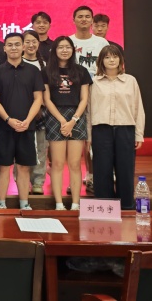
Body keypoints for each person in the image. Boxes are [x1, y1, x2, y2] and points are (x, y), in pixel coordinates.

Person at [0, 32, 44, 210]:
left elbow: (38, 99)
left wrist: (27, 121)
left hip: (27, 127)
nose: (14, 48)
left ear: (23, 47)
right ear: (4, 48)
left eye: (17, 44)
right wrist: (8, 120)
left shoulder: (33, 71)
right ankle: (1, 203)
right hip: (3, 127)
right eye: (10, 45)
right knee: (3, 167)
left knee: (24, 167)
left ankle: (24, 203)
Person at [88, 46, 145, 210]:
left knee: (125, 169)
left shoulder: (131, 81)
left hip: (125, 129)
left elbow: (138, 109)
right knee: (102, 170)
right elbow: (89, 111)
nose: (111, 60)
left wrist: (138, 134)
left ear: (121, 60)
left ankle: (126, 205)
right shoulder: (94, 83)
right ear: (101, 61)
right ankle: (104, 207)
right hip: (101, 130)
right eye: (107, 57)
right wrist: (89, 136)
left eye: (115, 56)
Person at [42, 36, 92, 210]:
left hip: (76, 116)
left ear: (73, 50)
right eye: (60, 47)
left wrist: (73, 120)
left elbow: (84, 99)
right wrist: (63, 121)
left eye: (68, 47)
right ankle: (59, 203)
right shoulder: (46, 71)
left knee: (75, 164)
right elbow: (47, 99)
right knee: (56, 163)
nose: (64, 50)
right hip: (55, 116)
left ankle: (76, 204)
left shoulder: (81, 71)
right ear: (54, 50)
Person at [69, 5, 109, 192]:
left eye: (87, 16)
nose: (84, 19)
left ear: (92, 20)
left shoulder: (101, 43)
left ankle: (93, 176)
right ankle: (74, 179)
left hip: (97, 95)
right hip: (72, 96)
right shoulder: (68, 42)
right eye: (80, 16)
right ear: (74, 20)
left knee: (94, 137)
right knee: (75, 138)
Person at [21, 30, 49, 195]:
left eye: (34, 42)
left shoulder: (44, 64)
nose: (31, 45)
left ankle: (38, 182)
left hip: (41, 113)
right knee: (21, 149)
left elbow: (46, 90)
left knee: (40, 148)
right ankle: (21, 181)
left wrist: (40, 107)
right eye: (27, 42)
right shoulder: (17, 62)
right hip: (21, 112)